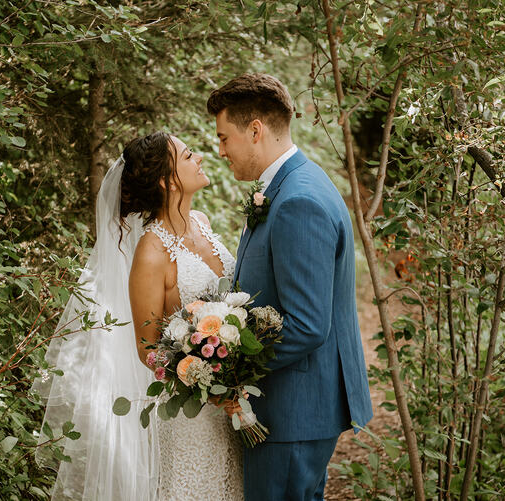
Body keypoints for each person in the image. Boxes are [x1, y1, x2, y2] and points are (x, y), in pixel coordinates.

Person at [34, 132, 243, 500]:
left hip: (232, 403)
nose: (199, 158)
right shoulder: (151, 251)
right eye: (188, 156)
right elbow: (147, 348)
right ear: (167, 181)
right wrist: (205, 381)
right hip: (192, 413)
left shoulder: (202, 221)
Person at [207, 73, 373, 501]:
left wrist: (229, 368)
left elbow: (307, 324)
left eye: (224, 138)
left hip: (292, 411)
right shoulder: (290, 185)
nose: (220, 150)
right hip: (291, 408)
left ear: (255, 130)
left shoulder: (298, 200)